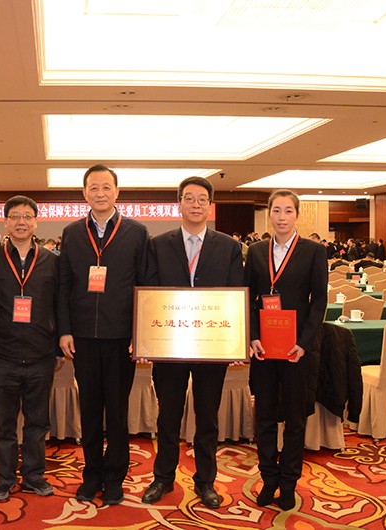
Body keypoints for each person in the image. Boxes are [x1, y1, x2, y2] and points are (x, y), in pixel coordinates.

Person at [142, 177, 244, 509]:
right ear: (179, 204)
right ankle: (163, 478)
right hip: (169, 346)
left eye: (202, 199)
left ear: (210, 206)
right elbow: (150, 294)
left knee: (207, 418)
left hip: (211, 347)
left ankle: (206, 481)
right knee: (168, 416)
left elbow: (235, 296)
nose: (196, 204)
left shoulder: (228, 247)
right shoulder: (158, 244)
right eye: (189, 198)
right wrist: (146, 340)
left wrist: (236, 342)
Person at [58, 164, 152, 505]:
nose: (100, 193)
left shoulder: (136, 232)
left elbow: (145, 285)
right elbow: (64, 285)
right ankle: (91, 475)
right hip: (82, 337)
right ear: (84, 193)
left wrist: (139, 333)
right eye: (93, 188)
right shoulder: (72, 232)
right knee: (89, 409)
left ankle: (114, 477)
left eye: (106, 187)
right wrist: (65, 330)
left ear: (117, 192)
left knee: (116, 411)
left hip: (121, 338)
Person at [0, 195, 63, 502]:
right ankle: (4, 478)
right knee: (4, 424)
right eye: (15, 216)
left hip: (41, 355)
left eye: (27, 216)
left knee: (38, 423)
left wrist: (58, 349)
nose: (21, 222)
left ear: (36, 222)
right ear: (6, 223)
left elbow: (60, 307)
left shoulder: (52, 261)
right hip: (1, 356)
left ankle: (34, 476)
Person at [245, 189, 328, 511]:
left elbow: (318, 301)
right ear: (269, 214)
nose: (282, 217)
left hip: (295, 348)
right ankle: (269, 478)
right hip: (264, 347)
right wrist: (252, 336)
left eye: (288, 211)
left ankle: (289, 482)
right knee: (265, 416)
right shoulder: (256, 251)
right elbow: (248, 297)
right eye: (276, 210)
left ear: (297, 215)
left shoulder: (313, 251)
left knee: (295, 418)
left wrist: (304, 343)